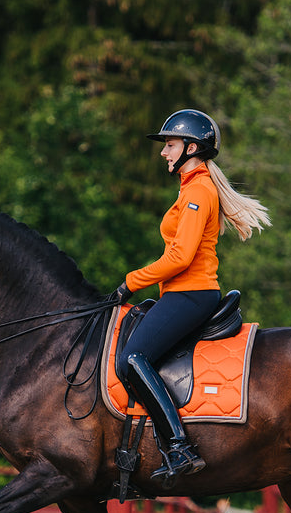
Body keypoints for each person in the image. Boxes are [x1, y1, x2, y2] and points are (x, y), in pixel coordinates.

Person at [114, 109, 271, 484]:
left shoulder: (198, 191)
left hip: (192, 293)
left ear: (191, 148)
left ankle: (179, 447)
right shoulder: (191, 188)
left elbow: (180, 257)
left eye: (169, 145)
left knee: (133, 357)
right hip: (181, 293)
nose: (164, 152)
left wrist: (130, 282)